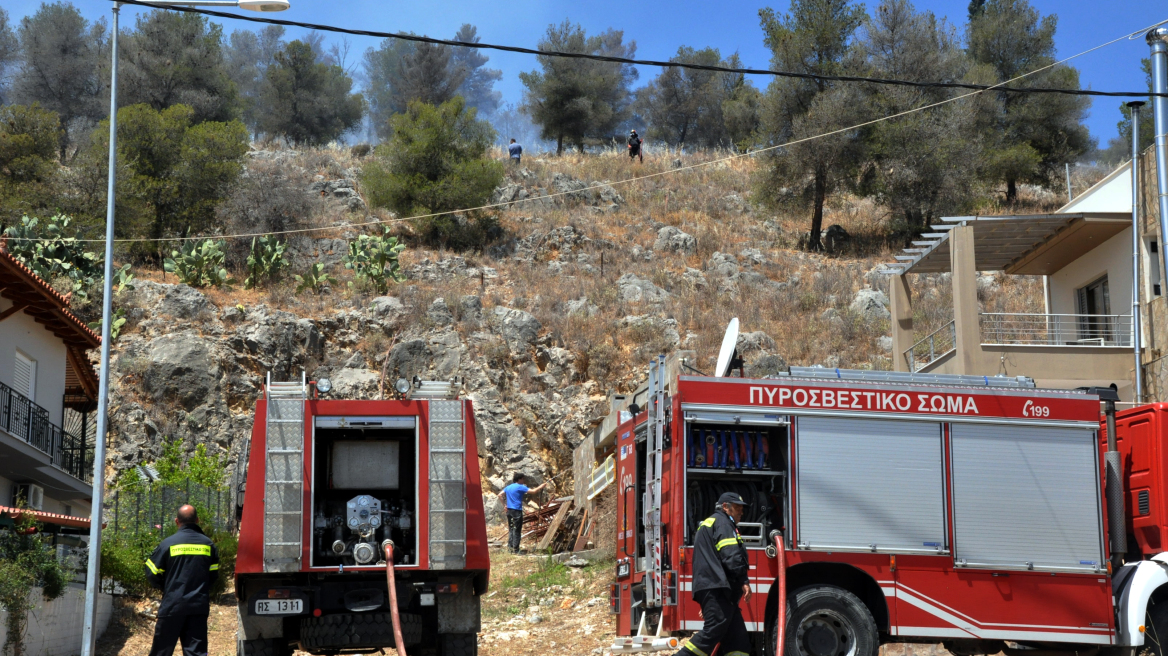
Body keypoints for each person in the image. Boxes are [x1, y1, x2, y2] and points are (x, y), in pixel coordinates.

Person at [675, 492, 751, 656]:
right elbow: (731, 556)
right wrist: (743, 580)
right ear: (725, 507)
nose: (741, 512)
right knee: (713, 630)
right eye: (737, 508)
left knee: (738, 641)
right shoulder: (723, 524)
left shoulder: (711, 523)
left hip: (715, 588)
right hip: (717, 588)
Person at [145, 505, 220, 656]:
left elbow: (152, 572)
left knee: (161, 651)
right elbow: (213, 576)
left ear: (176, 521)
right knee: (196, 653)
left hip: (172, 605)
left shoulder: (167, 544)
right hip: (198, 606)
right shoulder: (208, 545)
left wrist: (165, 587)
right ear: (197, 520)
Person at [498, 473, 549, 554]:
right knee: (517, 530)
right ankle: (516, 550)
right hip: (516, 511)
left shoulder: (508, 487)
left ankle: (510, 549)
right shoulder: (520, 486)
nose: (524, 480)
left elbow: (500, 495)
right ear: (519, 479)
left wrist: (505, 505)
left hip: (509, 511)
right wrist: (541, 486)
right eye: (523, 479)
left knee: (511, 529)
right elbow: (533, 491)